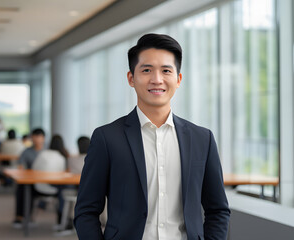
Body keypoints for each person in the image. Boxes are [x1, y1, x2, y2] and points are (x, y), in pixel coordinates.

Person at [74, 33, 230, 240]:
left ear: (178, 79)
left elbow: (218, 210)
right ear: (131, 78)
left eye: (166, 71)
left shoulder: (202, 139)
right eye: (146, 70)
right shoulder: (106, 138)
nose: (157, 79)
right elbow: (86, 211)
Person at [32, 134, 69, 226]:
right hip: (54, 187)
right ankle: (62, 218)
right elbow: (62, 173)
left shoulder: (42, 154)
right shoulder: (62, 157)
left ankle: (41, 206)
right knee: (65, 189)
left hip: (38, 185)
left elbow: (34, 168)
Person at [13, 128, 46, 227]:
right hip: (32, 181)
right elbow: (21, 166)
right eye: (34, 137)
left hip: (47, 181)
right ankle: (21, 217)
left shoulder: (47, 152)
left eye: (38, 137)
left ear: (43, 138)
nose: (36, 139)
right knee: (22, 188)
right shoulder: (27, 152)